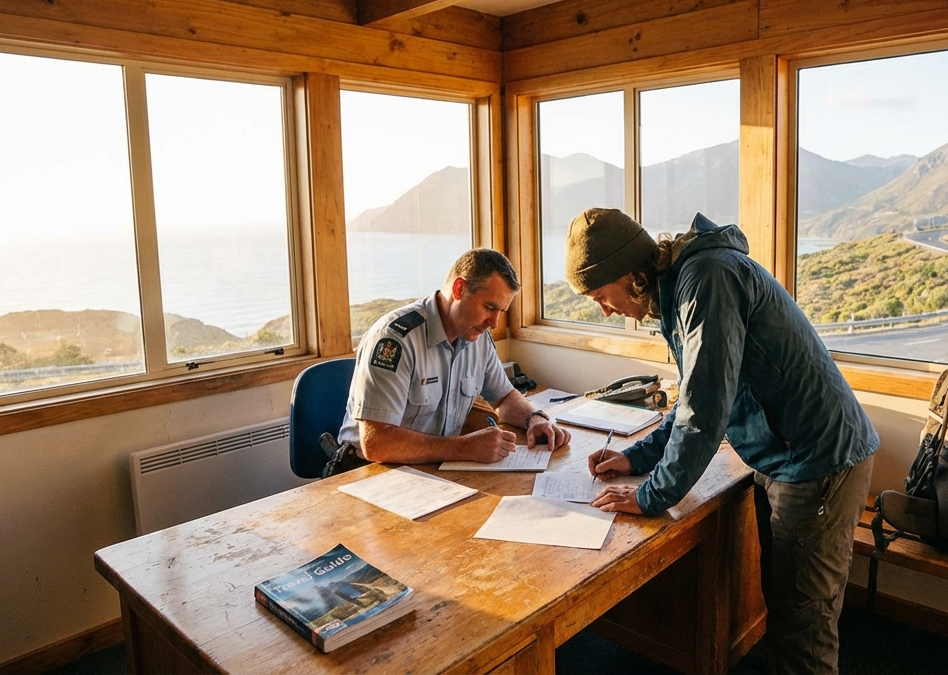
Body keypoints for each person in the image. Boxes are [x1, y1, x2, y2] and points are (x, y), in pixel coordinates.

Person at [567, 208, 879, 675]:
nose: (605, 310)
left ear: (631, 275)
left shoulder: (706, 279)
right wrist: (637, 458)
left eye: (600, 297)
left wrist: (652, 496)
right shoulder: (686, 282)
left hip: (816, 463)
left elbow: (705, 407)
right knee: (786, 614)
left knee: (803, 634)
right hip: (785, 456)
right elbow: (696, 395)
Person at [337, 248, 570, 465]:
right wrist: (462, 448)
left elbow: (504, 398)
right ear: (459, 289)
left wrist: (534, 418)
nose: (494, 323)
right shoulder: (395, 340)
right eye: (489, 308)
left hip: (433, 466)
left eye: (501, 311)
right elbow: (377, 443)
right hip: (369, 471)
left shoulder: (477, 337)